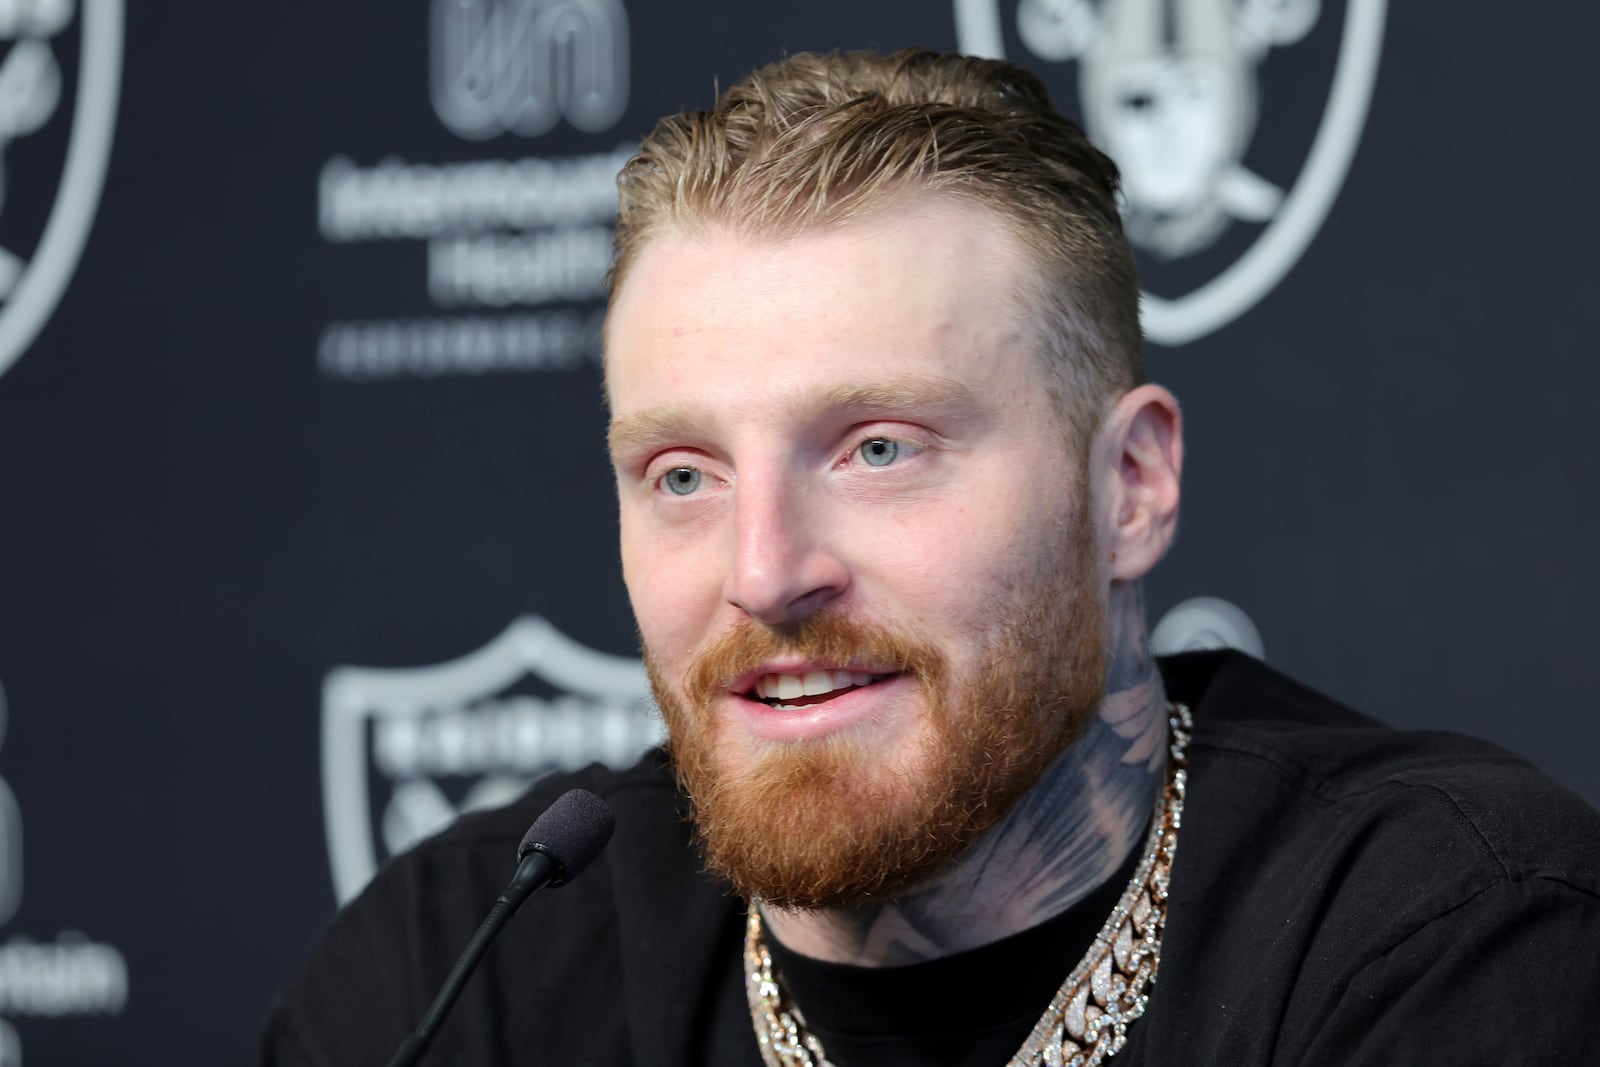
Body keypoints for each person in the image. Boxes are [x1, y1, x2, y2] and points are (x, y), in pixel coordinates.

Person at [260, 49, 1600, 1066]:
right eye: (683, 475)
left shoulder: (1442, 936)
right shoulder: (461, 975)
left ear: (1128, 486)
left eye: (878, 449)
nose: (767, 572)